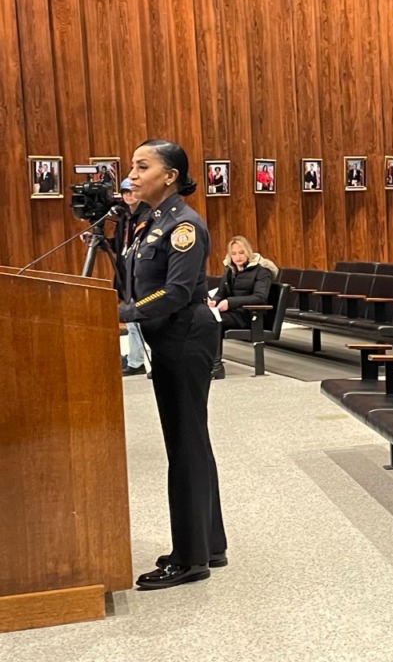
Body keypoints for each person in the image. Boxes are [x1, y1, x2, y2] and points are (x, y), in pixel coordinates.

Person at [118, 139, 226, 590]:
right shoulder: (147, 222)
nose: (133, 174)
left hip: (185, 336)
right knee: (191, 441)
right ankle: (209, 543)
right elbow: (131, 278)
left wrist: (125, 313)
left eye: (143, 166)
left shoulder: (183, 225)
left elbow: (179, 291)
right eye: (133, 166)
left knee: (184, 445)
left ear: (170, 176)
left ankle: (190, 558)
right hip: (171, 336)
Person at [209, 235, 279, 379]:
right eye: (234, 254)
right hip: (233, 313)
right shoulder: (230, 269)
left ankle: (216, 367)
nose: (238, 257)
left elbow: (260, 297)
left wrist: (230, 303)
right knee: (202, 317)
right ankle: (205, 363)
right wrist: (213, 302)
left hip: (251, 316)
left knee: (213, 321)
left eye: (241, 252)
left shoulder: (262, 270)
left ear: (248, 252)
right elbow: (221, 293)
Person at [114, 178, 151, 375]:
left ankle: (141, 361)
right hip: (125, 274)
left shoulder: (147, 215)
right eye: (125, 192)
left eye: (132, 191)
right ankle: (135, 360)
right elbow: (121, 247)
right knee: (131, 321)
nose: (129, 196)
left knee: (138, 320)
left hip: (139, 274)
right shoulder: (124, 217)